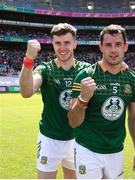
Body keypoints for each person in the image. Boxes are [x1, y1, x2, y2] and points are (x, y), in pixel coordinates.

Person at [68, 24, 135, 179]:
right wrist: (83, 100)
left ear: (126, 47)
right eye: (108, 45)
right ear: (101, 47)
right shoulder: (85, 76)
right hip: (87, 149)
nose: (113, 50)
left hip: (116, 150)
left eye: (118, 45)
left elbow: (134, 117)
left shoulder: (133, 79)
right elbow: (73, 122)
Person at [19, 23, 91, 179]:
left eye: (67, 42)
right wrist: (28, 59)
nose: (62, 47)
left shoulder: (86, 70)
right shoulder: (45, 69)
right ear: (52, 44)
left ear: (75, 44)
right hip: (49, 139)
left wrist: (121, 65)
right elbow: (26, 91)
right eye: (58, 43)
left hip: (77, 138)